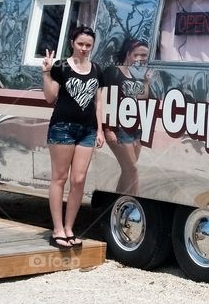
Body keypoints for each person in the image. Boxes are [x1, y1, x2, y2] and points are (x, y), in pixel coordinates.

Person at [42, 25, 106, 249]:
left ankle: (70, 228)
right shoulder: (60, 66)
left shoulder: (97, 69)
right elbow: (50, 98)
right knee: (59, 177)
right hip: (62, 127)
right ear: (72, 43)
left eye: (88, 45)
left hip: (87, 129)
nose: (84, 49)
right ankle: (57, 229)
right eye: (80, 44)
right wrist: (47, 72)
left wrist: (100, 129)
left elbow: (98, 102)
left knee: (78, 180)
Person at [102, 38, 151, 195]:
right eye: (139, 55)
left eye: (145, 56)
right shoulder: (113, 71)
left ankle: (116, 204)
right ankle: (133, 204)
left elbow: (142, 97)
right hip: (120, 128)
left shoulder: (133, 74)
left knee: (127, 170)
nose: (142, 59)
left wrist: (146, 81)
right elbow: (103, 100)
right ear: (128, 53)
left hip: (135, 128)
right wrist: (107, 128)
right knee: (133, 169)